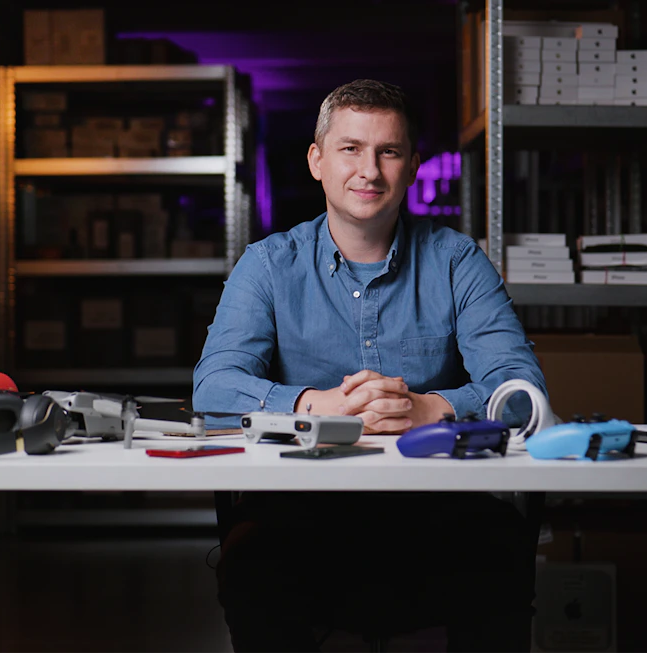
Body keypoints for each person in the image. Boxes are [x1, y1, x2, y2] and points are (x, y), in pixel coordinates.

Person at [193, 79, 547, 652]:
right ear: (317, 161)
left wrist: (431, 408)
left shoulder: (457, 261)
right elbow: (213, 388)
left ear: (412, 167)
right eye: (351, 149)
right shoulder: (268, 265)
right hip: (300, 511)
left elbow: (523, 389)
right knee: (254, 564)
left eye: (389, 152)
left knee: (500, 547)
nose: (370, 171)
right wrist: (316, 406)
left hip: (436, 508)